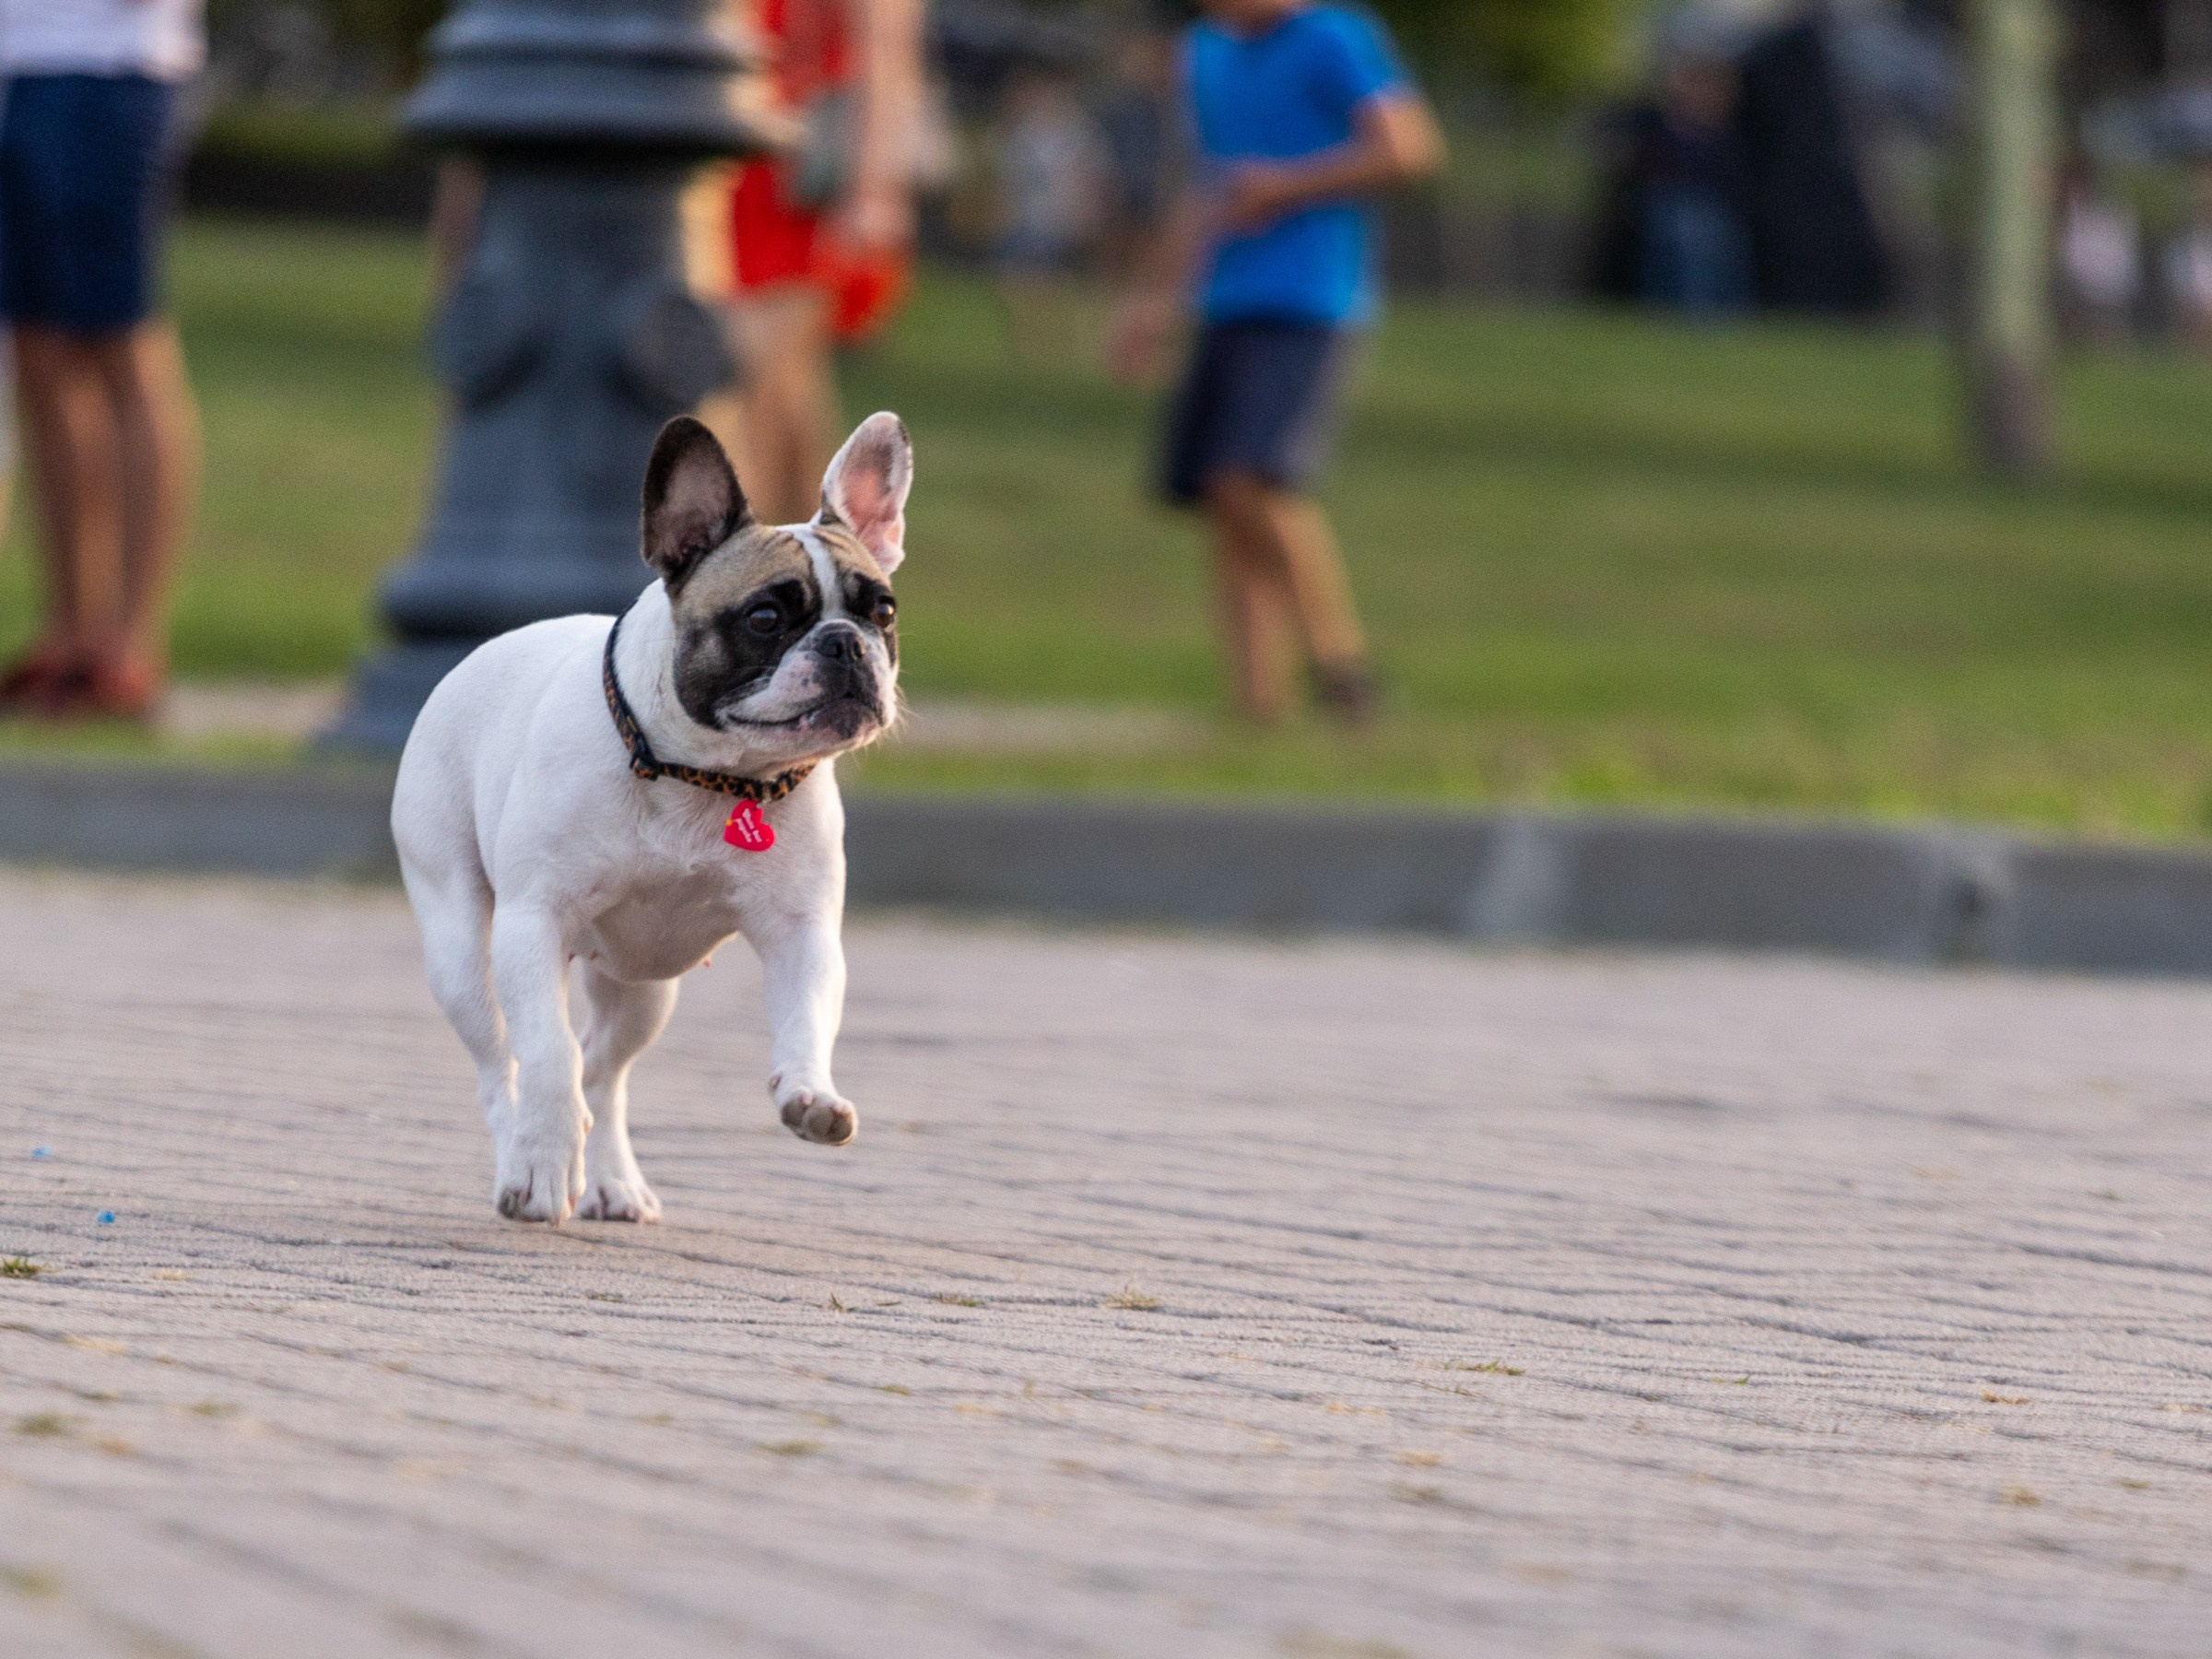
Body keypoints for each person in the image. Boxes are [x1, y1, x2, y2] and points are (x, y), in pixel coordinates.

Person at [1111, 0, 1441, 724]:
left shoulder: (1333, 36)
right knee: (1221, 497)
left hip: (1311, 295)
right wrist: (1154, 299)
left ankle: (1340, 664)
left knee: (1253, 477)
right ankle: (1256, 695)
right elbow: (1209, 187)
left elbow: (1409, 147)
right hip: (1228, 296)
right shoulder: (1206, 52)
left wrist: (1287, 186)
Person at [0, 0, 204, 721]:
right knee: (37, 354)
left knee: (119, 346)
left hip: (107, 69)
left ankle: (128, 642)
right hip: (17, 68)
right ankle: (68, 636)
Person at [712, 0, 924, 525]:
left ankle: (762, 550)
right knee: (783, 389)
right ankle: (816, 550)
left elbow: (888, 49)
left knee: (759, 382)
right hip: (737, 164)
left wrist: (874, 185)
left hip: (802, 179)